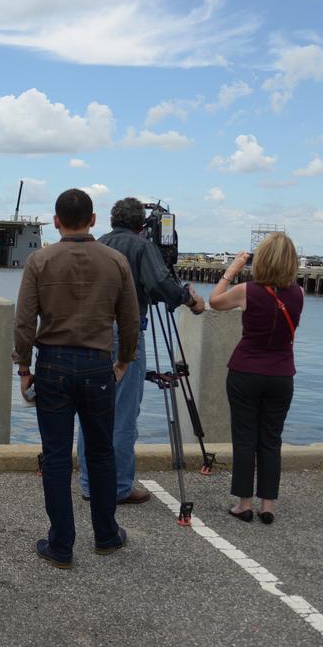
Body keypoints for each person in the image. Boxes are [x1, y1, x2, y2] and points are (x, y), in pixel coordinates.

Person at [14, 189, 139, 568]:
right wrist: (124, 361)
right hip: (98, 365)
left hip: (51, 364)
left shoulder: (40, 260)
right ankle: (105, 534)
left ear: (55, 221)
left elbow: (24, 321)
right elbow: (130, 320)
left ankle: (61, 544)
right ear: (94, 219)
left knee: (55, 457)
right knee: (100, 452)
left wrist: (24, 367)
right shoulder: (116, 261)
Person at [76, 196, 204, 505]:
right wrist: (189, 298)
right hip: (126, 332)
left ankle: (88, 484)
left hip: (91, 333)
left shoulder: (98, 244)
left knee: (92, 412)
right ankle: (119, 486)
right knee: (123, 413)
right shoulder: (142, 247)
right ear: (140, 225)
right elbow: (161, 284)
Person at [208, 232, 304, 525]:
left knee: (245, 437)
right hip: (281, 373)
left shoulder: (248, 290)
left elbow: (214, 302)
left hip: (246, 370)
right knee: (271, 439)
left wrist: (231, 271)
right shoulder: (299, 293)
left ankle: (244, 503)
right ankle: (268, 505)